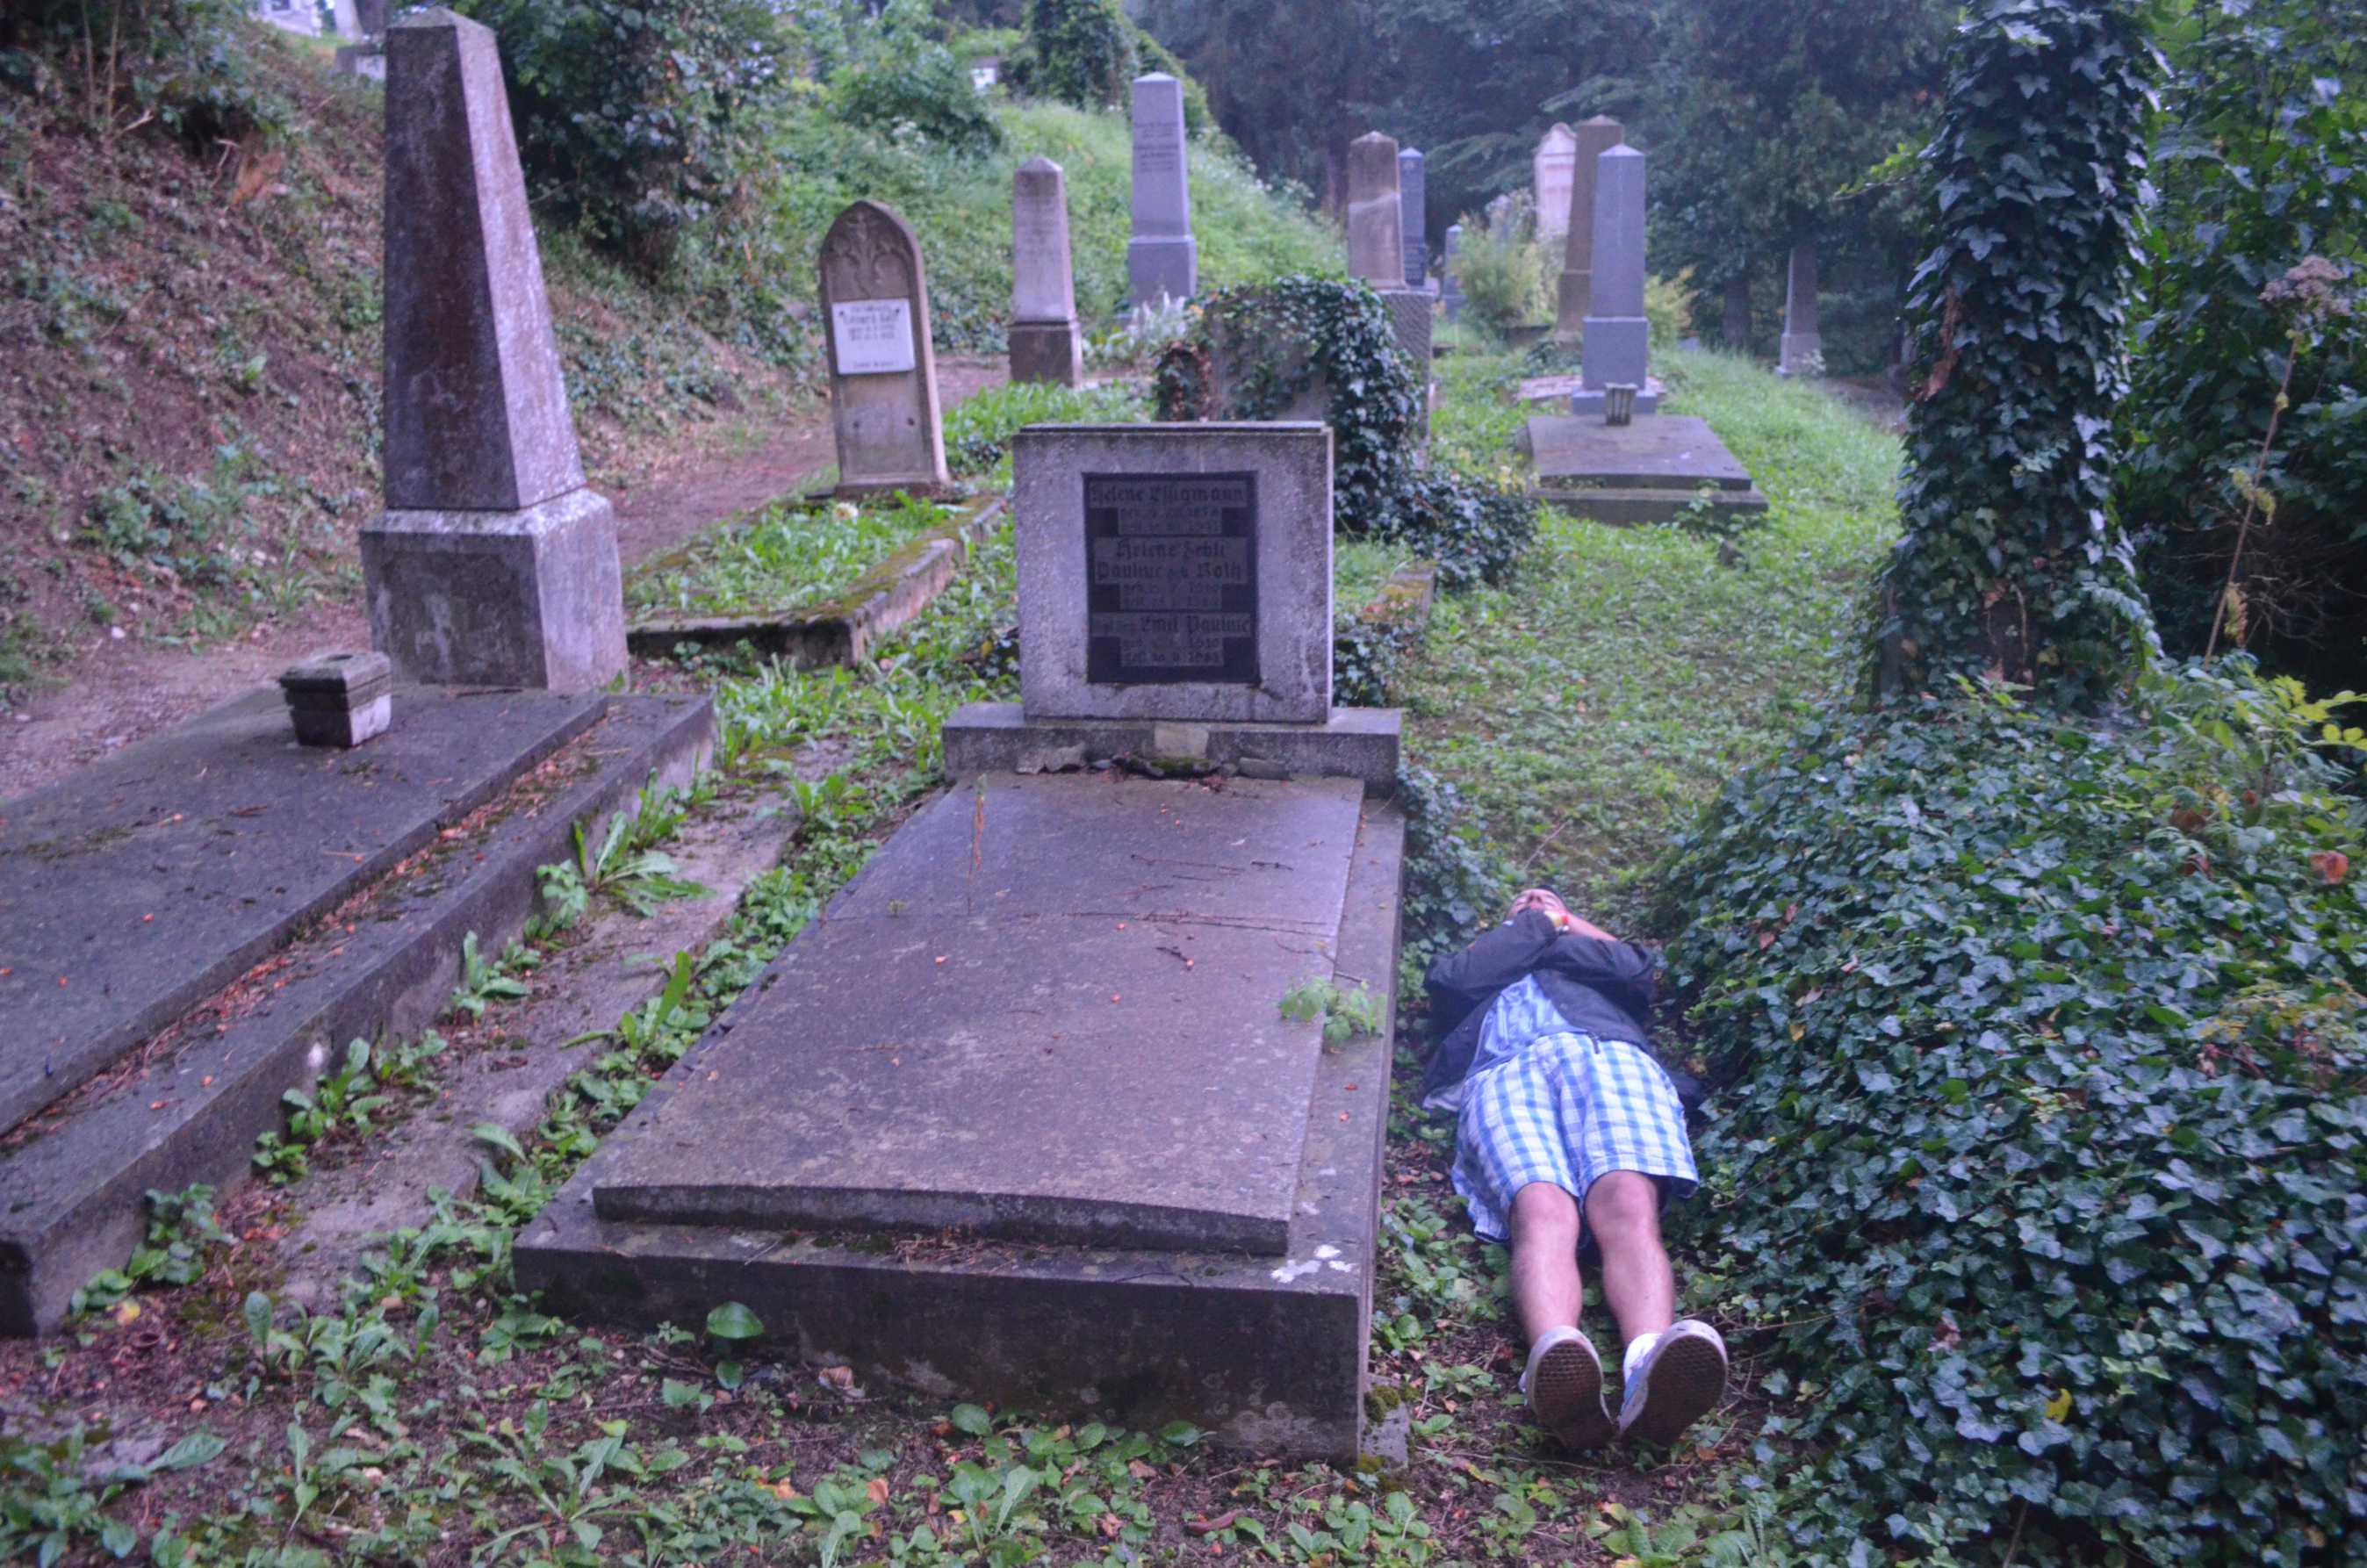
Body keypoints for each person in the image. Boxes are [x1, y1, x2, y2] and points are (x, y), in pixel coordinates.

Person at [1421, 887, 1727, 1449]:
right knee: (1541, 1207)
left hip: (1607, 1055)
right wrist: (1541, 925)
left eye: (1549, 898)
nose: (1534, 899)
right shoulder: (1484, 960)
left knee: (1628, 1201)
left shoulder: (1592, 960)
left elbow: (1636, 971)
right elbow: (1452, 983)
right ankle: (1557, 1364)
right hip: (1504, 1071)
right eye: (1523, 900)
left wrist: (1556, 923)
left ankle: (1648, 1370)